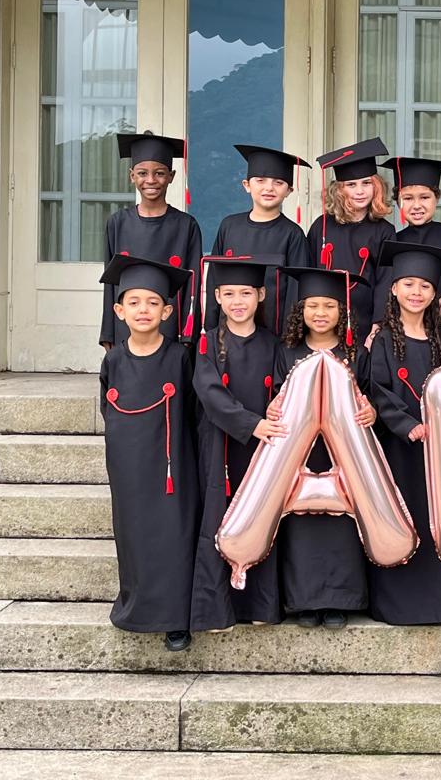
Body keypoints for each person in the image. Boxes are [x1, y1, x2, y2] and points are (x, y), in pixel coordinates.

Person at [97, 254, 198, 652]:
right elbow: (108, 411)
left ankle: (176, 619)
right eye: (134, 302)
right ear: (119, 311)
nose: (144, 309)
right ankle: (136, 610)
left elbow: (192, 411)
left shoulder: (179, 357)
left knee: (173, 537)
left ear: (167, 311)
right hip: (129, 466)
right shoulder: (113, 360)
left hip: (172, 464)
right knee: (135, 537)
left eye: (153, 302)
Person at [268, 265, 377, 629]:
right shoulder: (287, 352)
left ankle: (339, 601)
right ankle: (304, 601)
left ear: (341, 312)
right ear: (301, 311)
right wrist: (272, 408)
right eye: (312, 306)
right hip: (301, 455)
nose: (320, 313)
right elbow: (276, 397)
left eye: (329, 306)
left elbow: (369, 395)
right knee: (301, 524)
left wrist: (372, 411)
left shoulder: (355, 353)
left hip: (341, 454)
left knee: (341, 522)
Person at [189, 255, 286, 632]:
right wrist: (251, 423)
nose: (237, 301)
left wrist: (270, 419)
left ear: (261, 295)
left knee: (261, 515)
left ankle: (261, 604)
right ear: (216, 297)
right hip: (220, 444)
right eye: (228, 294)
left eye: (245, 293)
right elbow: (210, 392)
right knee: (219, 517)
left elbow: (284, 391)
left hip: (264, 446)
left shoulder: (273, 344)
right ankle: (216, 610)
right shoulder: (206, 343)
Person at [366, 240, 441, 625]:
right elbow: (377, 389)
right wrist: (407, 425)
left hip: (437, 447)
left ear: (434, 294)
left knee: (434, 522)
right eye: (408, 284)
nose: (416, 292)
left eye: (425, 286)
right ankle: (396, 604)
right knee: (401, 518)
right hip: (398, 447)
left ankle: (434, 605)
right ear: (393, 289)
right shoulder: (383, 338)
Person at [100, 131, 203, 350]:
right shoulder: (117, 223)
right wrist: (108, 332)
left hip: (171, 328)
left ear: (171, 176)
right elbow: (110, 283)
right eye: (142, 173)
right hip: (126, 328)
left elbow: (193, 285)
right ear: (132, 176)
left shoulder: (186, 226)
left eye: (159, 173)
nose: (150, 180)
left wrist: (188, 335)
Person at [207, 145, 312, 334]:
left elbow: (296, 292)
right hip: (228, 335)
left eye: (278, 182)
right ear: (247, 185)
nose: (269, 188)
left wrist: (290, 337)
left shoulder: (293, 234)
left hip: (275, 335)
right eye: (260, 180)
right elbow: (214, 279)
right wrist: (211, 330)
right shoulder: (229, 227)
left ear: (289, 190)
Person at [306, 137, 395, 346]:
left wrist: (377, 325)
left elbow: (385, 281)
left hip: (365, 321)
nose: (360, 191)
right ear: (339, 189)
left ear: (377, 186)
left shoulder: (384, 231)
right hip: (323, 321)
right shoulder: (322, 226)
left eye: (366, 183)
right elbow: (308, 271)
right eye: (351, 185)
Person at [374, 156, 441, 329]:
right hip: (403, 327)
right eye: (408, 198)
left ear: (437, 198)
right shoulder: (394, 240)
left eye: (424, 197)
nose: (416, 205)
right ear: (397, 201)